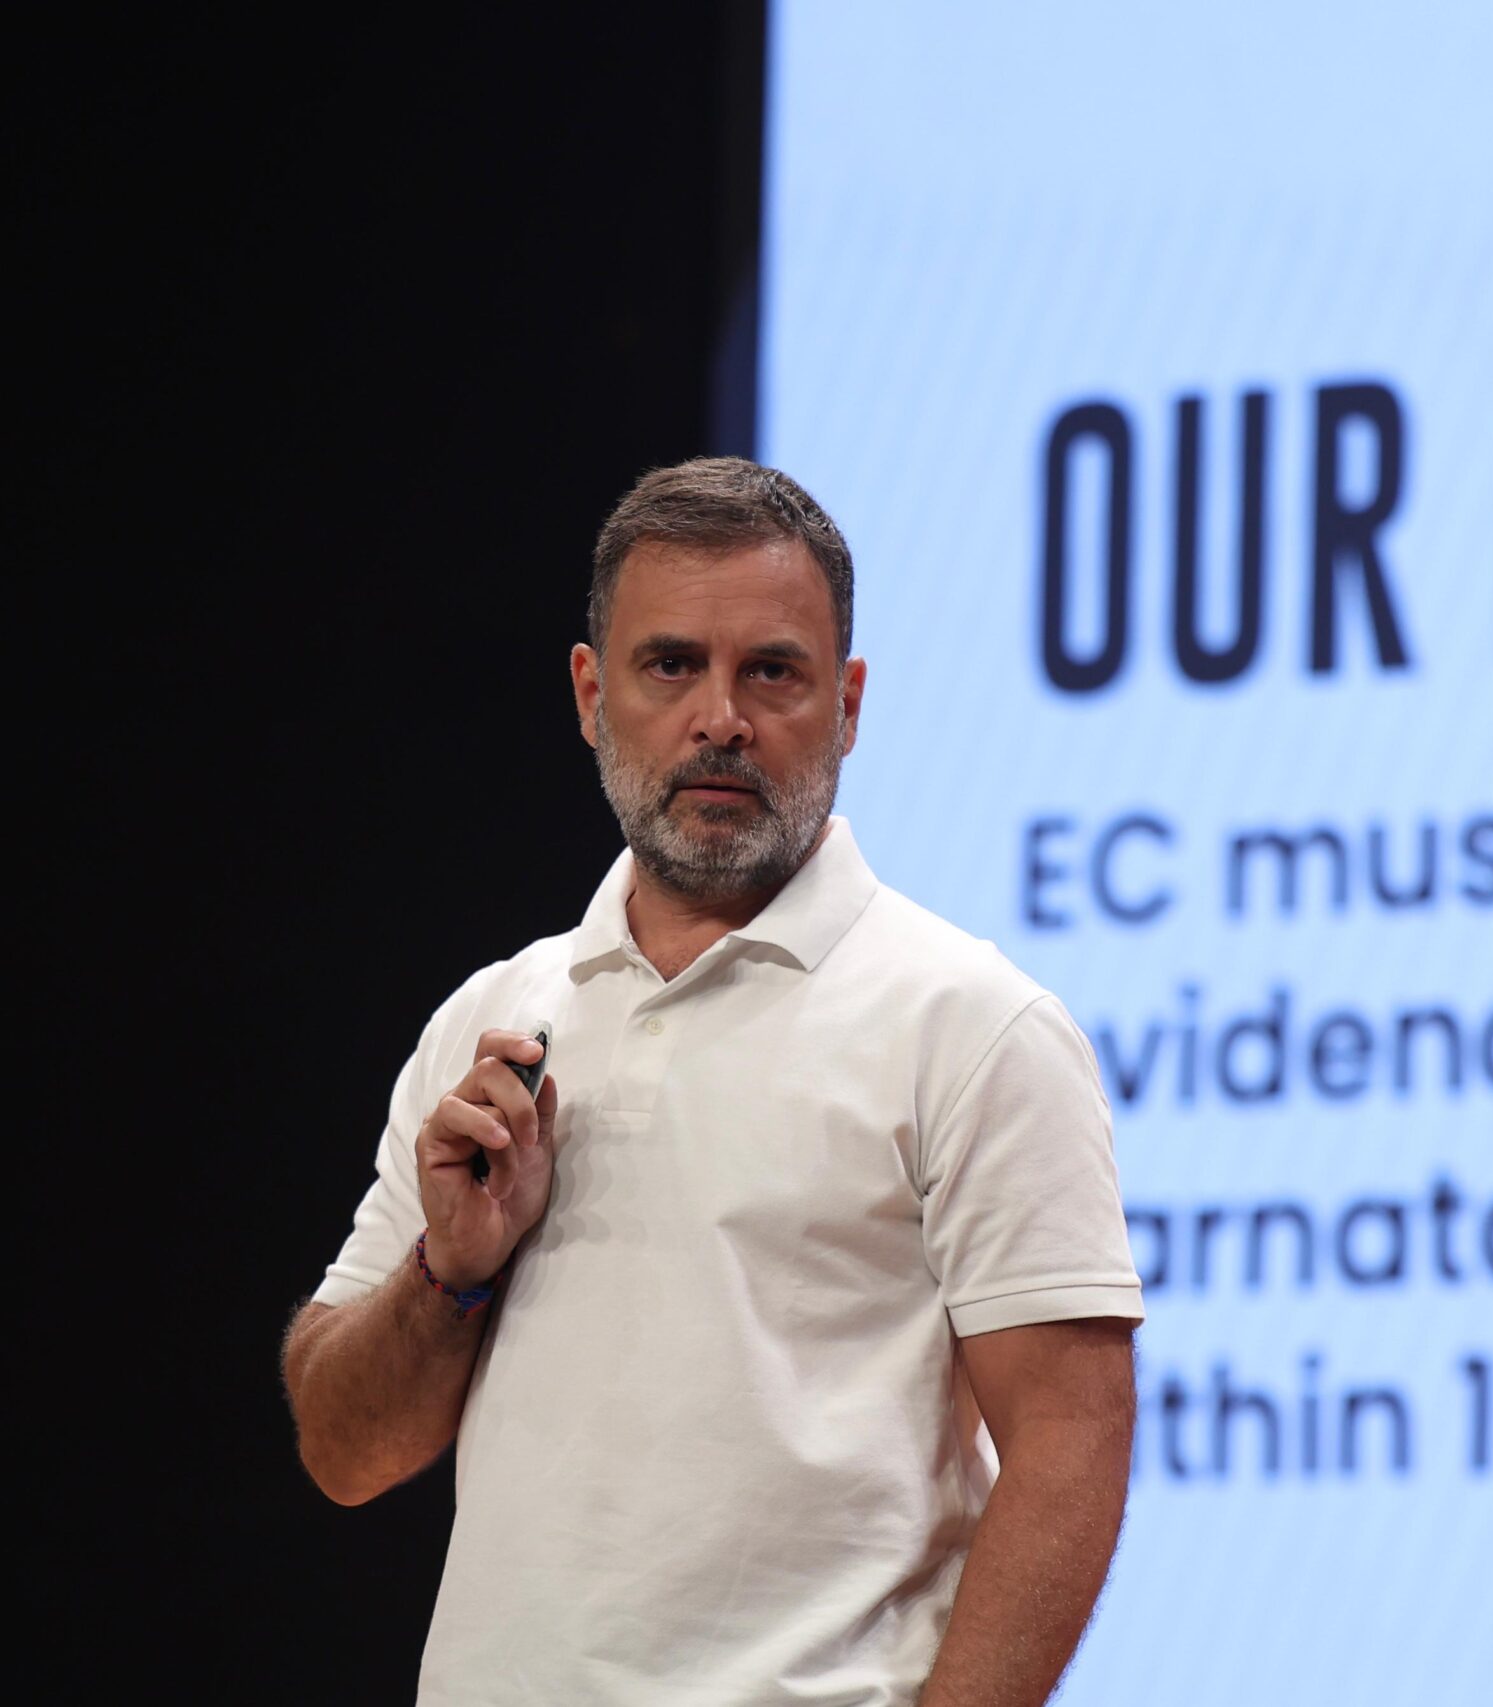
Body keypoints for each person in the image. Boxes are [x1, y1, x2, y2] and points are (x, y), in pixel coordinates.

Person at [281, 458, 1145, 1707]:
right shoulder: (493, 1018)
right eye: (672, 665)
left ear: (849, 704)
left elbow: (1072, 1445)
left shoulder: (973, 1024)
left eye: (773, 672)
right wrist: (448, 1275)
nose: (721, 719)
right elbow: (344, 1451)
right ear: (592, 696)